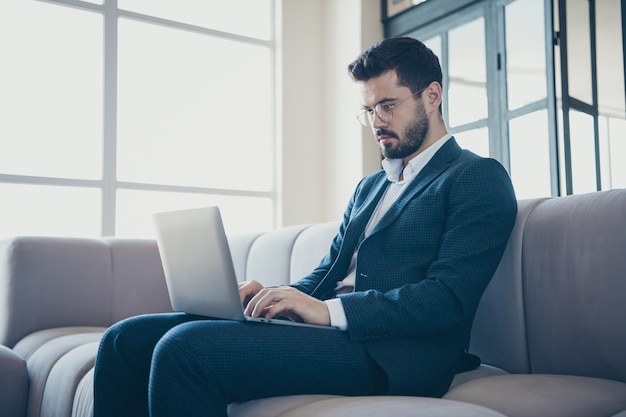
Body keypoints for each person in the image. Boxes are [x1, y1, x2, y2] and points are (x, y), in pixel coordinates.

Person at [92, 36, 517, 417]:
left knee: (185, 349)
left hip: (393, 353)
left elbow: (446, 299)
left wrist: (331, 311)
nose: (377, 121)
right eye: (369, 109)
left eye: (388, 105)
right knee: (123, 340)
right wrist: (280, 297)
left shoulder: (476, 177)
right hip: (334, 336)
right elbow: (330, 269)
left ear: (432, 96)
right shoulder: (370, 187)